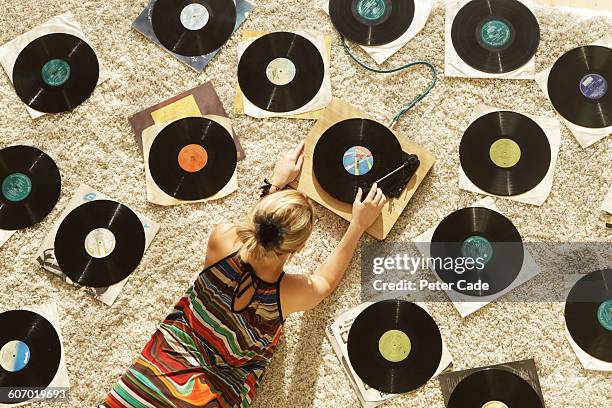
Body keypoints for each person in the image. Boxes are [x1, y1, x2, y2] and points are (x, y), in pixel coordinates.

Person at [102, 141, 387, 408]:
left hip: (157, 369)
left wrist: (274, 183)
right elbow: (324, 283)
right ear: (298, 248)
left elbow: (248, 228)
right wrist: (357, 226)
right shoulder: (286, 294)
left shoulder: (222, 237)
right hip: (212, 389)